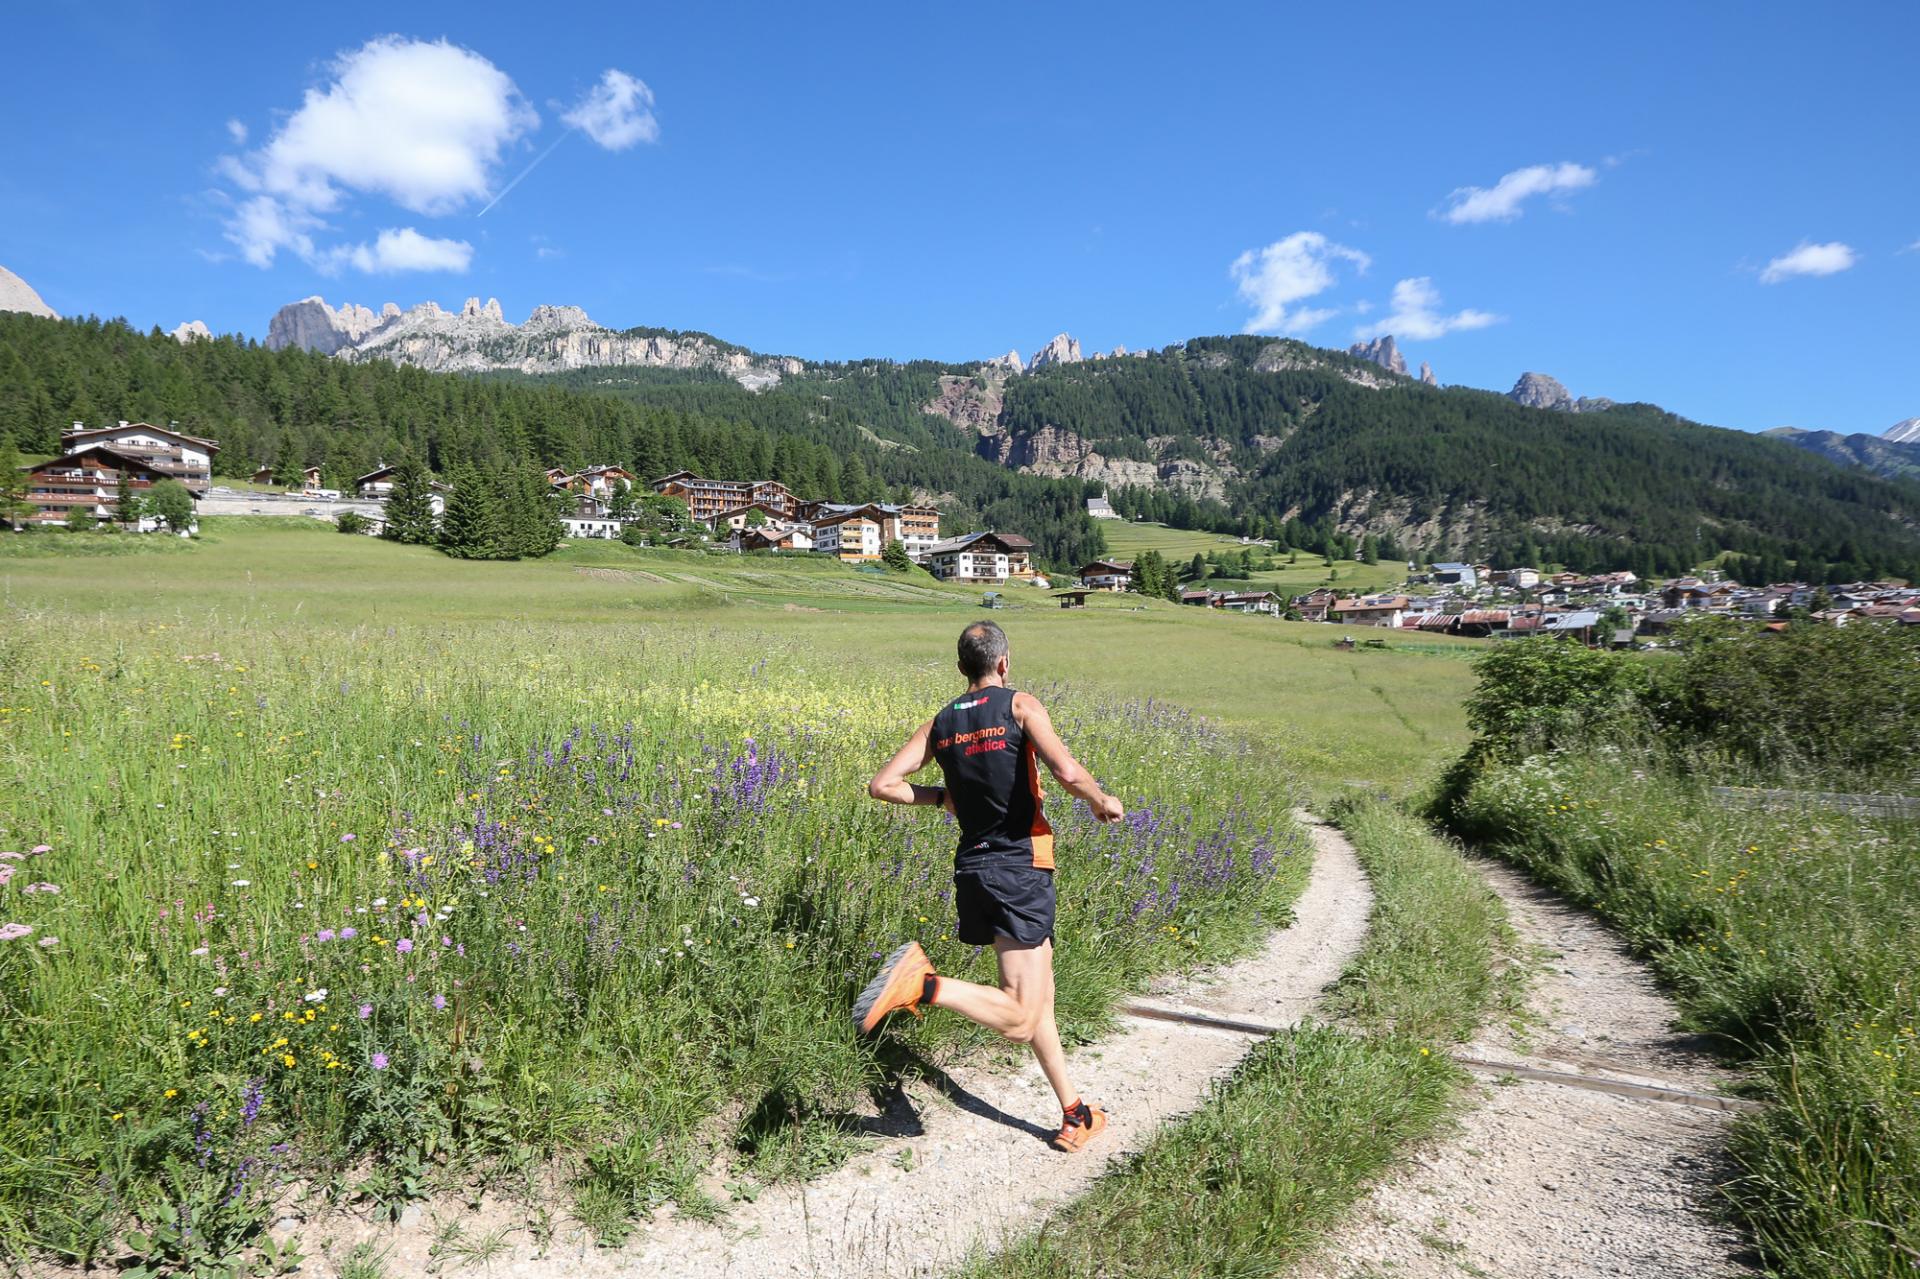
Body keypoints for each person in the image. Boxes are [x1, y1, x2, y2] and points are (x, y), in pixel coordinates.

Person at [855, 620, 1126, 1153]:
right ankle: (923, 984)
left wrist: (942, 798)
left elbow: (883, 785)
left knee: (1038, 1002)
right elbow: (1066, 770)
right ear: (1003, 663)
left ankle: (1075, 1113)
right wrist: (1102, 801)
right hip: (1021, 868)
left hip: (975, 869)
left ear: (962, 668)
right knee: (1021, 1017)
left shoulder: (942, 721)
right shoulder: (1019, 705)